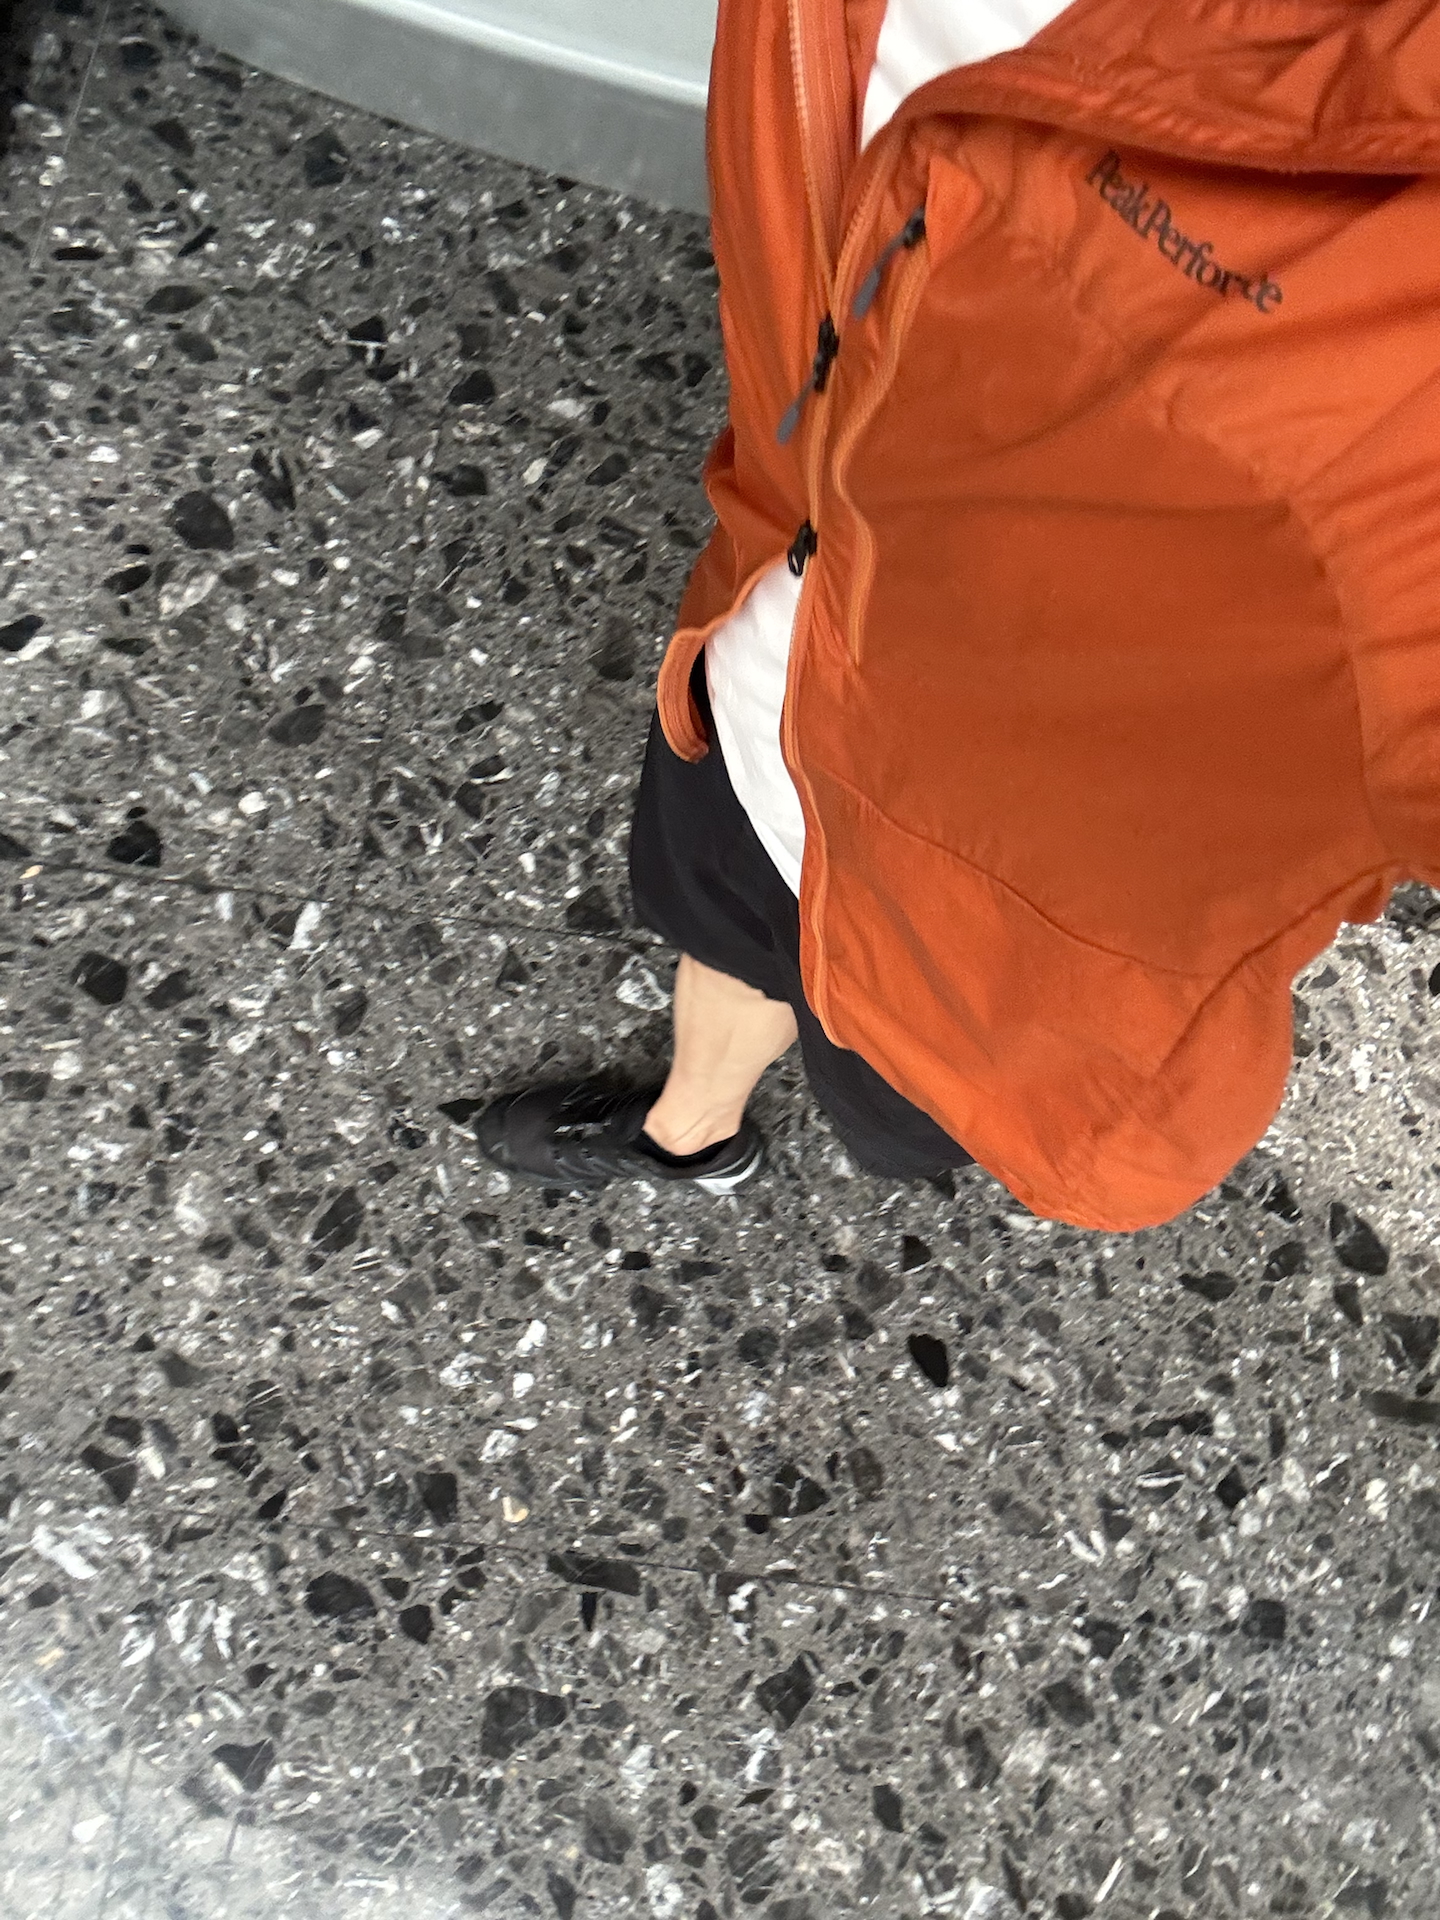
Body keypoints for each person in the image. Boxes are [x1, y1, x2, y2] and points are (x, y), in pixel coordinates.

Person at [474, 0, 1440, 1232]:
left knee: (878, 1083)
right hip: (758, 657)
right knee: (719, 927)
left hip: (985, 957)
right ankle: (691, 1135)